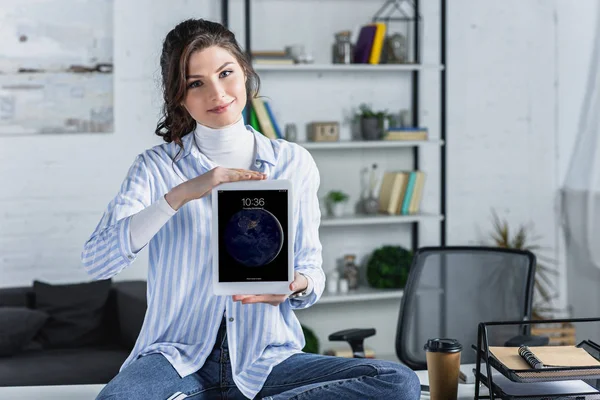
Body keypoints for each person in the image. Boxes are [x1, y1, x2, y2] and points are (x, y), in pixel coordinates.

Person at [83, 18, 421, 400]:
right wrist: (181, 194)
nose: (217, 93)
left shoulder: (293, 162)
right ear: (179, 96)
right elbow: (98, 262)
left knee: (398, 381)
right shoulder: (156, 168)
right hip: (177, 359)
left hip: (267, 358)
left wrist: (296, 285)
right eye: (196, 83)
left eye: (225, 73)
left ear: (243, 72)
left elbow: (312, 268)